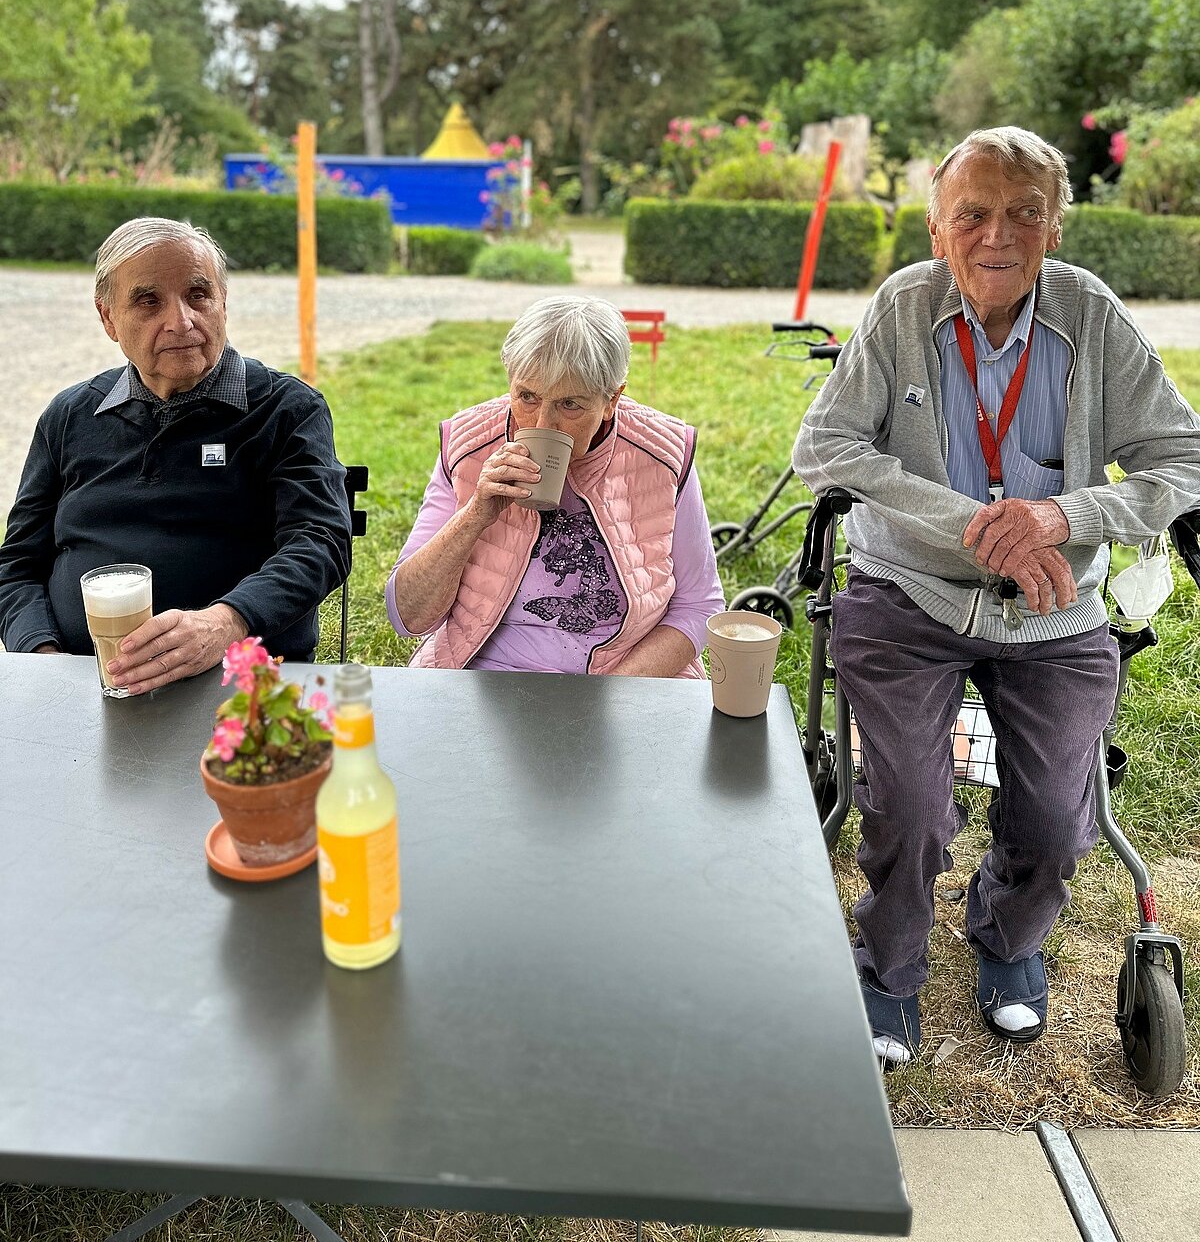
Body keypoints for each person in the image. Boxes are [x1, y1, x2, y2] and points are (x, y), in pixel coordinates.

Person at [793, 126, 1200, 1066]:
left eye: (1024, 211)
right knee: (906, 800)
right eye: (971, 213)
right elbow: (826, 448)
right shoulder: (903, 307)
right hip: (911, 595)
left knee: (1061, 815)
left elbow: (1181, 456)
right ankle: (889, 965)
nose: (996, 235)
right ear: (938, 229)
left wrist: (1060, 518)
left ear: (1055, 226)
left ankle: (1009, 938)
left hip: (1054, 608)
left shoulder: (1090, 314)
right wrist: (971, 523)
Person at [0, 217, 352, 692]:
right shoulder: (70, 416)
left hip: (238, 680)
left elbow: (320, 540)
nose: (181, 321)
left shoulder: (286, 409)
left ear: (223, 303)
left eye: (198, 295)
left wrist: (227, 622)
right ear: (108, 318)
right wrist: (44, 657)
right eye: (149, 301)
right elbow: (18, 564)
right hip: (78, 682)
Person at [388, 296, 724, 676]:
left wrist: (616, 694)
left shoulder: (662, 452)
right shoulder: (469, 444)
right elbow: (408, 617)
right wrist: (475, 515)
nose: (543, 423)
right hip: (485, 675)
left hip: (624, 677)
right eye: (527, 396)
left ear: (611, 399)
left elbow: (698, 605)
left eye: (570, 405)